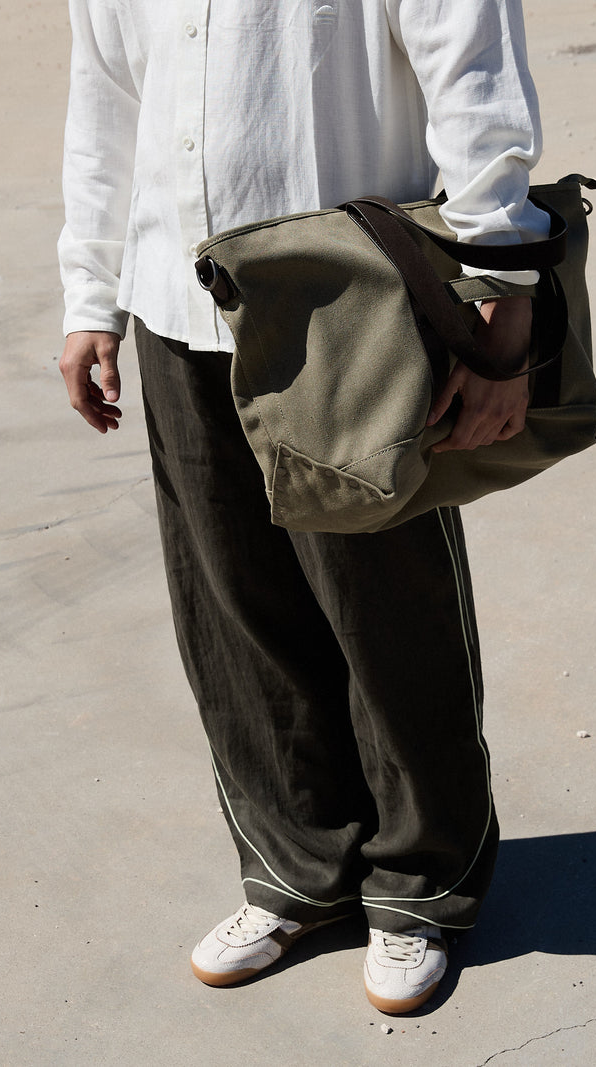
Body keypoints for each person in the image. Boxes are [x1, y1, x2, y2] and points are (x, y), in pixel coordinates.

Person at [58, 0, 550, 1014]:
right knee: (232, 606)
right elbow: (104, 99)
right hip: (173, 299)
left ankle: (421, 879)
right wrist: (89, 294)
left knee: (385, 607)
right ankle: (298, 863)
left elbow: (471, 67)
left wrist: (500, 272)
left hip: (346, 307)